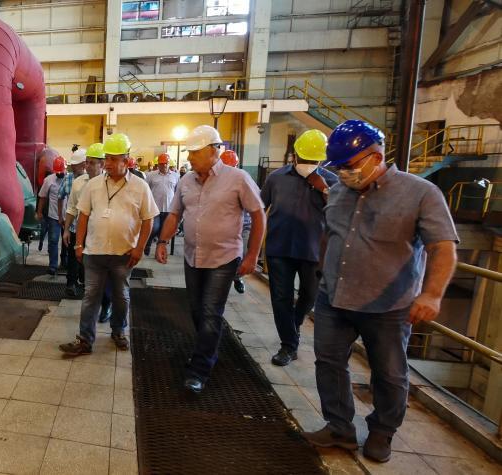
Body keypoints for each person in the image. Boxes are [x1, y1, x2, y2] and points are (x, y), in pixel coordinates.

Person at [302, 120, 458, 463]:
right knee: (329, 363)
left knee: (389, 373)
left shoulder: (421, 193)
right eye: (339, 168)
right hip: (334, 299)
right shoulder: (339, 191)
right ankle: (339, 427)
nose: (344, 173)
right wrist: (322, 272)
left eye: (349, 165)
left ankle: (382, 431)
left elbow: (443, 247)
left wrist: (432, 294)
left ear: (376, 156)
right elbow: (332, 235)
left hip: (388, 306)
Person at [155, 125, 266, 393]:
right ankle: (207, 349)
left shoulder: (238, 178)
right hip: (193, 256)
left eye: (195, 152)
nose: (190, 157)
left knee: (209, 311)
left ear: (214, 151)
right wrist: (162, 241)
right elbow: (174, 214)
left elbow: (258, 214)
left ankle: (200, 369)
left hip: (223, 258)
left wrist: (252, 255)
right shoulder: (186, 180)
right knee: (196, 309)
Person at [60, 133, 159, 355]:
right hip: (94, 252)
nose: (108, 163)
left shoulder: (140, 187)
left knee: (121, 296)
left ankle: (118, 331)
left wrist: (139, 248)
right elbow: (83, 215)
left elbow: (148, 219)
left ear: (126, 160)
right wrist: (78, 245)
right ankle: (85, 340)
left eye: (114, 159)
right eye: (107, 158)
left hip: (123, 253)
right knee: (90, 297)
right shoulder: (93, 185)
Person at [260, 129, 338, 366]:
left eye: (313, 160)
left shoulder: (332, 182)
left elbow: (340, 215)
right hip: (279, 248)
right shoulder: (276, 178)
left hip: (313, 251)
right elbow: (260, 207)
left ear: (321, 160)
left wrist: (324, 190)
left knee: (309, 296)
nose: (308, 163)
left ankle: (294, 324)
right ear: (295, 155)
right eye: (305, 158)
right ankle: (288, 345)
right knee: (280, 298)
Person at [62, 143, 114, 321]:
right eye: (87, 162)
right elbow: (71, 208)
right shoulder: (79, 183)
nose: (87, 166)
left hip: (101, 236)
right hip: (81, 234)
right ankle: (91, 308)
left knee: (104, 274)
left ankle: (106, 305)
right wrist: (66, 229)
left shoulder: (110, 184)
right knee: (87, 273)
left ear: (102, 164)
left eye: (92, 163)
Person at [219, 149, 252, 294]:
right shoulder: (214, 182)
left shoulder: (244, 180)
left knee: (241, 254)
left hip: (243, 225)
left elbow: (255, 207)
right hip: (222, 226)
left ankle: (237, 278)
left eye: (231, 167)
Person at [59, 148, 87, 289]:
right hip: (74, 227)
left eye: (75, 165)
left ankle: (83, 280)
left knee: (86, 258)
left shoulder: (96, 181)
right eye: (72, 165)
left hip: (90, 230)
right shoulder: (69, 179)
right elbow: (69, 205)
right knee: (73, 256)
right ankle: (71, 284)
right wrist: (64, 224)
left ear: (84, 164)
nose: (73, 168)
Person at [144, 153, 180, 256]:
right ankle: (148, 243)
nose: (164, 165)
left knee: (163, 232)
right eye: (161, 163)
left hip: (169, 208)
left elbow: (177, 192)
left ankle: (158, 251)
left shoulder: (176, 176)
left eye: (165, 163)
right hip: (155, 208)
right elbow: (146, 190)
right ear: (158, 164)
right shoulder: (151, 175)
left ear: (169, 164)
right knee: (153, 228)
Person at [37, 156, 66, 275]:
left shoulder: (70, 179)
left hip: (68, 216)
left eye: (61, 172)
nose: (59, 174)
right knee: (53, 240)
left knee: (67, 242)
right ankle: (53, 266)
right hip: (53, 216)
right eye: (57, 172)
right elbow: (42, 197)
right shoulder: (49, 180)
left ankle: (65, 262)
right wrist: (39, 212)